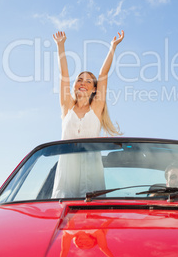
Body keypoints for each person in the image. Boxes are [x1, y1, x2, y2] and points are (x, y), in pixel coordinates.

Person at [51, 30, 124, 198]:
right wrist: (60, 46)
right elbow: (64, 75)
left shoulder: (97, 108)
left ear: (94, 89)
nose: (83, 83)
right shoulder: (67, 106)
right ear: (75, 85)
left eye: (88, 81)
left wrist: (112, 47)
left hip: (92, 172)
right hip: (67, 173)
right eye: (80, 79)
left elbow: (103, 75)